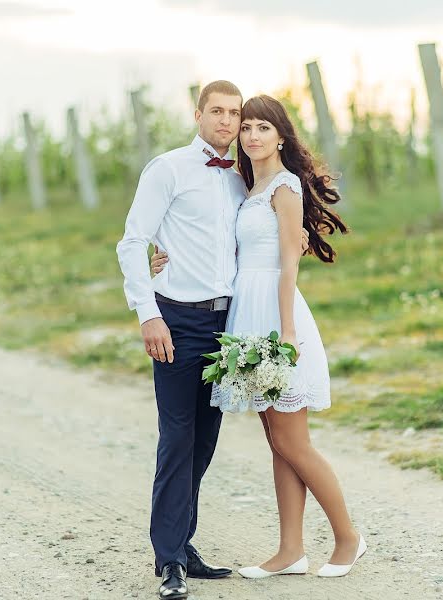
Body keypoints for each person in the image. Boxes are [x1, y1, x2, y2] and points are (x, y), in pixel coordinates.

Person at [150, 94, 365, 581]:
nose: (249, 134)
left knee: (294, 440)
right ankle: (291, 549)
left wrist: (285, 331)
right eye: (245, 127)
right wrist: (162, 258)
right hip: (244, 314)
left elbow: (289, 261)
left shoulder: (284, 187)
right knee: (277, 440)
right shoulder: (247, 186)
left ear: (281, 136)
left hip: (274, 313)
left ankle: (349, 537)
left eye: (261, 128)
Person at [116, 81, 308, 600]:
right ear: (198, 114)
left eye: (236, 114)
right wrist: (148, 313)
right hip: (176, 320)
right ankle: (170, 559)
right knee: (177, 437)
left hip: (228, 327)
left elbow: (267, 241)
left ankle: (183, 542)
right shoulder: (169, 168)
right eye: (218, 112)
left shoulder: (243, 180)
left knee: (205, 439)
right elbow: (133, 240)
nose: (228, 122)